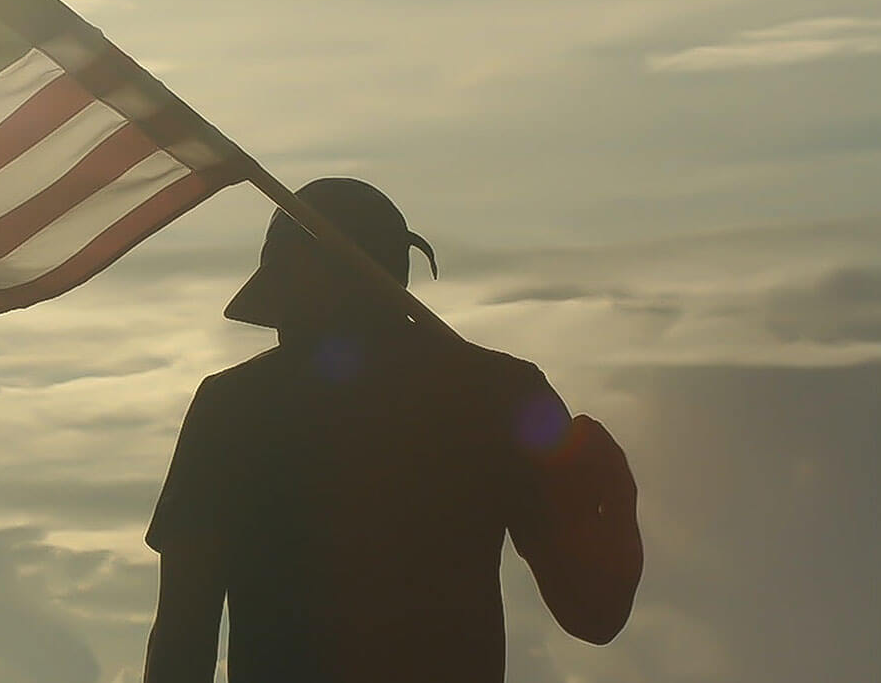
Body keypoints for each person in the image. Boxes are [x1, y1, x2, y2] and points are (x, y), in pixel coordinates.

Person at [143, 178, 643, 683]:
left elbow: (184, 636)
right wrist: (614, 495)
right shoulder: (503, 395)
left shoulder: (232, 406)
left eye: (283, 299)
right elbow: (595, 612)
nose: (279, 327)